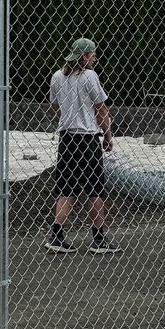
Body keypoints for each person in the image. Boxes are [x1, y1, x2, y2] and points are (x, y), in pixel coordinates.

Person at [47, 36, 118, 254]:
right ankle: (99, 239)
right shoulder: (89, 76)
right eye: (92, 54)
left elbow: (56, 105)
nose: (95, 58)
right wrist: (107, 135)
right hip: (87, 139)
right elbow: (101, 108)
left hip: (67, 139)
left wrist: (67, 118)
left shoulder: (58, 76)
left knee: (66, 189)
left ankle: (56, 235)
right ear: (84, 57)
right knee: (95, 189)